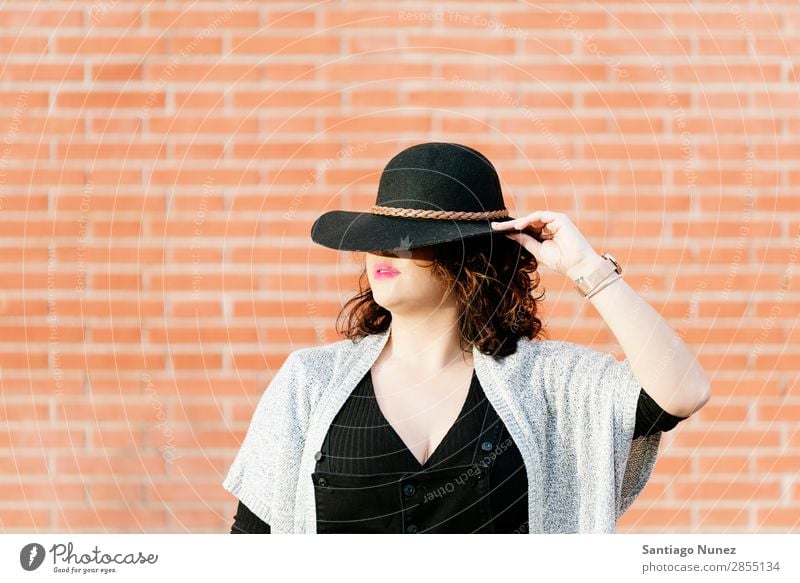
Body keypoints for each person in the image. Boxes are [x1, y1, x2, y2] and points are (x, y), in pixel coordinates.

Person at [224, 142, 711, 534]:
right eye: (377, 234)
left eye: (407, 238)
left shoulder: (547, 382)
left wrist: (590, 271)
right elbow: (251, 540)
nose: (380, 252)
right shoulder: (310, 382)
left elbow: (682, 394)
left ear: (470, 257)